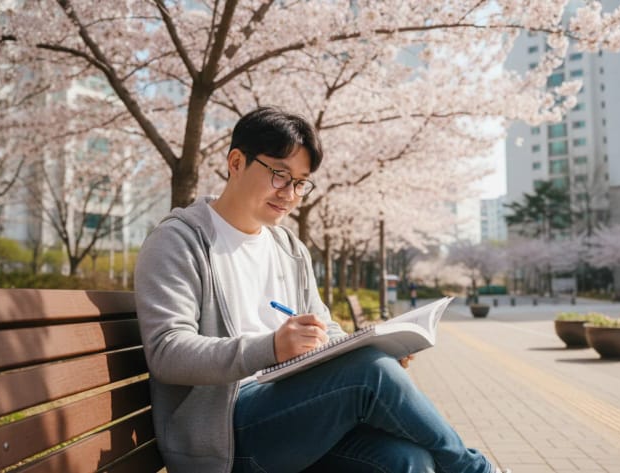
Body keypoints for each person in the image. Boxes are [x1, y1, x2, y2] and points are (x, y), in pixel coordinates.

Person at [135, 106, 506, 473]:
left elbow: (323, 329)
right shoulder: (179, 241)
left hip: (289, 412)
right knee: (368, 371)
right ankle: (472, 469)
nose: (290, 194)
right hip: (224, 436)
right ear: (236, 162)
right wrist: (272, 347)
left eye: (300, 182)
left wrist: (374, 347)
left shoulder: (288, 249)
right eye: (279, 175)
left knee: (408, 461)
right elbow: (167, 351)